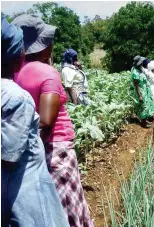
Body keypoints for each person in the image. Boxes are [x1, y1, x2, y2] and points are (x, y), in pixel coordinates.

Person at [12, 14, 93, 227]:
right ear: (39, 46)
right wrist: (41, 150)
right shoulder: (47, 72)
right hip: (57, 147)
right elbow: (47, 122)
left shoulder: (14, 73)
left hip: (33, 149)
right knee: (67, 201)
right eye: (48, 40)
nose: (51, 44)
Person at [1, 15, 69, 227]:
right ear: (17, 55)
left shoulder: (17, 80)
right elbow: (11, 158)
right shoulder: (18, 96)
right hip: (25, 188)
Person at [131, 56, 154, 127]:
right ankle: (143, 123)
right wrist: (140, 95)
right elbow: (136, 85)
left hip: (145, 90)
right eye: (141, 62)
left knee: (147, 105)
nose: (142, 64)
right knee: (144, 106)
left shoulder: (140, 70)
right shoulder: (135, 72)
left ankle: (146, 120)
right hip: (141, 91)